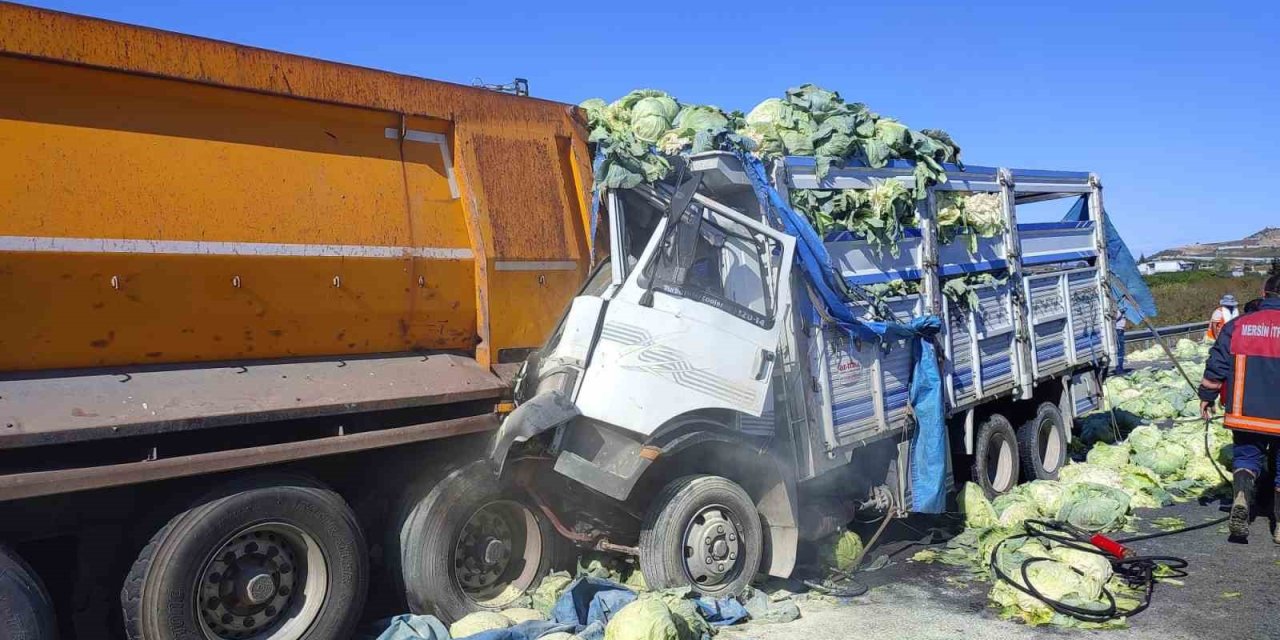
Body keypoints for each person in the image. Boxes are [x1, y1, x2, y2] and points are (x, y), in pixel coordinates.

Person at [1199, 274, 1280, 542]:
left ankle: (1242, 496)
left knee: (1246, 457)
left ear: (1264, 293)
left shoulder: (1238, 325)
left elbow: (1217, 363)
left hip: (1244, 412)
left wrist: (1207, 395)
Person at [1113, 308, 1128, 374]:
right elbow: (1114, 319)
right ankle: (1119, 369)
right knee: (1120, 350)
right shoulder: (1118, 310)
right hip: (1118, 330)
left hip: (1120, 330)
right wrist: (1120, 312)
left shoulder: (1120, 310)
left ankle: (1120, 368)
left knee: (1120, 350)